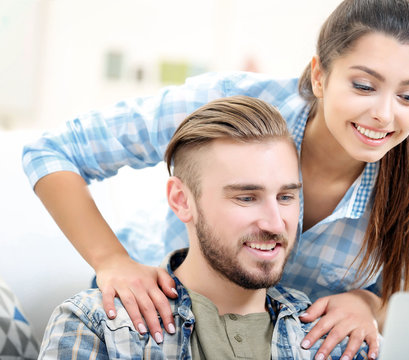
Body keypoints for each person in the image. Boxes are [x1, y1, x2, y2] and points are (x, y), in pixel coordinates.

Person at [23, 1, 409, 359]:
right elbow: (53, 151)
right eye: (364, 86)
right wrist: (111, 260)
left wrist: (367, 302)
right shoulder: (228, 105)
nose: (384, 114)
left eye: (408, 96)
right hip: (152, 320)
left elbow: (406, 305)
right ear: (320, 76)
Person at [38, 96, 368, 359]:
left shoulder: (335, 343)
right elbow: (48, 151)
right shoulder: (97, 326)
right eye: (246, 197)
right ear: (182, 200)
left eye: (285, 196)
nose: (274, 222)